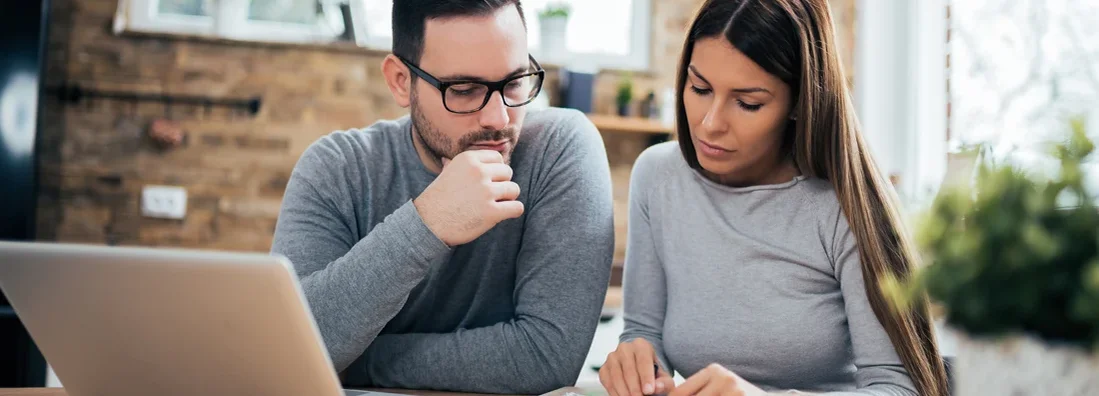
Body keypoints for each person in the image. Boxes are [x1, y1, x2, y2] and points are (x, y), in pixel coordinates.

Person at [599, 0, 949, 395]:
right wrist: (639, 364)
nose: (710, 124)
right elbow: (644, 331)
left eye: (748, 103)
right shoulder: (658, 177)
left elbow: (901, 388)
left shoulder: (846, 208)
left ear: (800, 103)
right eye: (699, 88)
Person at [270, 0, 615, 393]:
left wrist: (362, 362)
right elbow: (290, 351)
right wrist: (427, 222)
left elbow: (546, 357)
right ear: (401, 81)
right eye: (465, 90)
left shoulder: (559, 149)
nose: (499, 119)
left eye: (515, 82)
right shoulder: (337, 169)